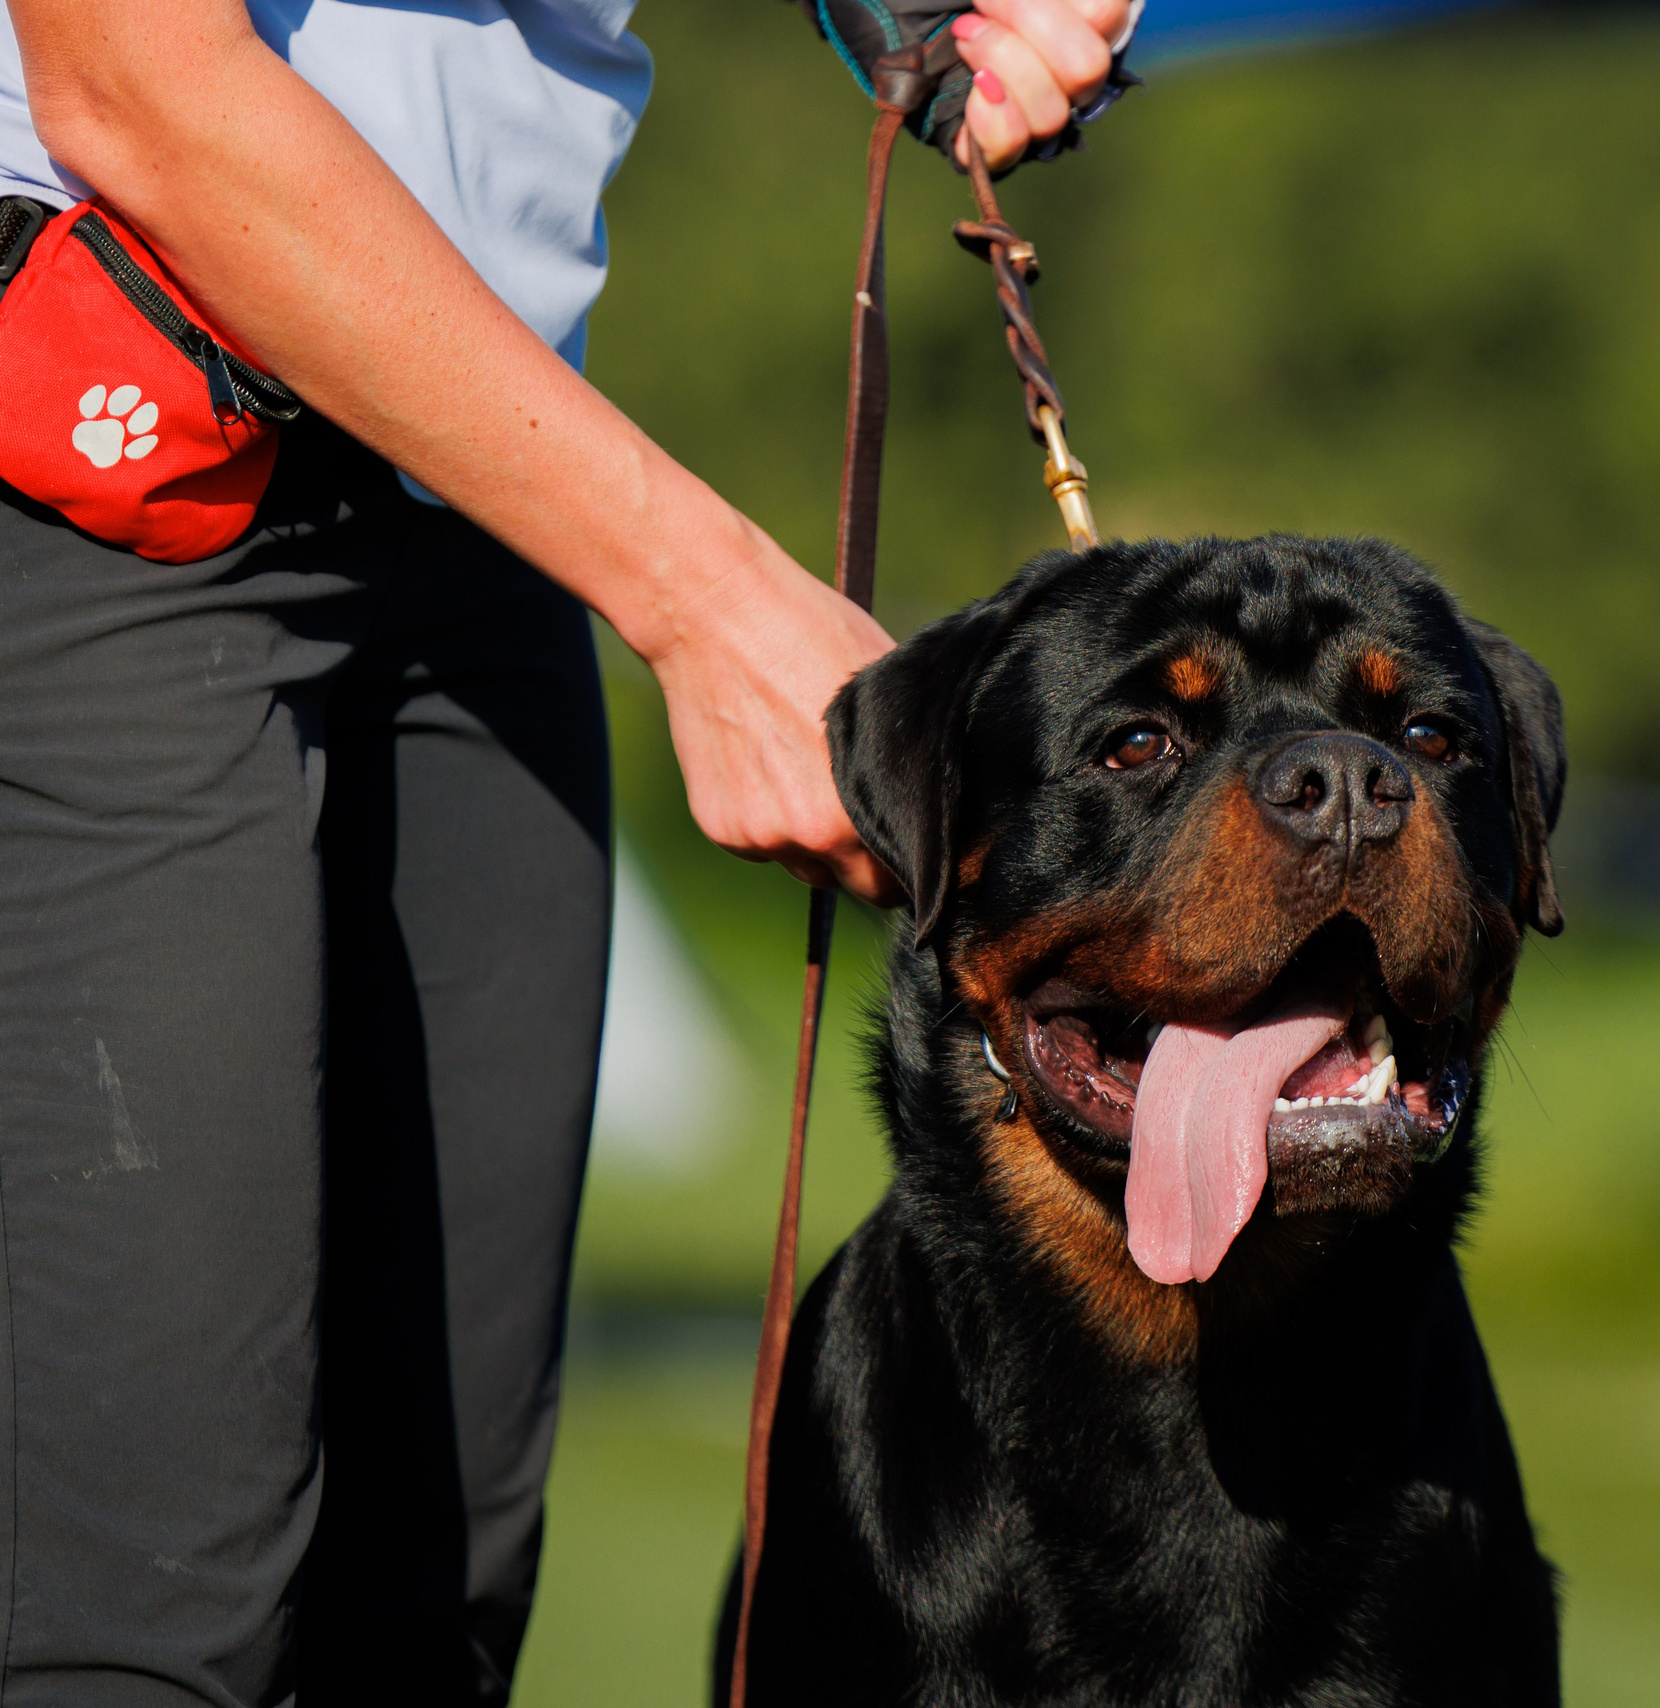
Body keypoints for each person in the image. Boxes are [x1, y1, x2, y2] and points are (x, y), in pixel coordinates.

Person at [0, 0, 1130, 1699]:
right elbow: (136, 81)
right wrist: (705, 600)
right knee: (150, 1622)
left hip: (481, 477)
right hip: (110, 444)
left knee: (427, 1606)